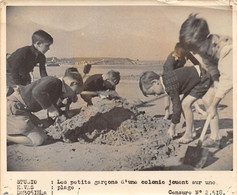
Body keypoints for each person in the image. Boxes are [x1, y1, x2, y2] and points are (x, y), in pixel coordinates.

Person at [179, 14, 232, 147]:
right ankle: (215, 137)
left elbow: (227, 81)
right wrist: (215, 80)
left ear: (206, 39)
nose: (195, 53)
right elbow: (211, 66)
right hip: (226, 73)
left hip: (232, 72)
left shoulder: (227, 49)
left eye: (195, 49)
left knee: (212, 103)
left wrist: (215, 104)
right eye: (192, 50)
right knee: (208, 99)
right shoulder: (204, 48)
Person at [7, 68, 83, 146]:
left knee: (43, 133)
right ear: (73, 83)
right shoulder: (54, 81)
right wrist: (51, 109)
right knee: (38, 140)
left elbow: (52, 103)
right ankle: (6, 137)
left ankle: (14, 130)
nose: (74, 96)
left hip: (24, 110)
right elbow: (37, 92)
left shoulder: (58, 88)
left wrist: (57, 113)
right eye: (75, 92)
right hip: (14, 107)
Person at [139, 65, 212, 143]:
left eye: (153, 92)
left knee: (185, 104)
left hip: (202, 79)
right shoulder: (166, 80)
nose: (156, 95)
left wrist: (172, 127)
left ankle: (189, 134)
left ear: (155, 82)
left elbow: (176, 108)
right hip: (196, 79)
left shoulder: (169, 85)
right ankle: (192, 131)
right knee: (184, 104)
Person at [163, 42, 206, 119]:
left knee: (190, 88)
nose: (177, 57)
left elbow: (197, 64)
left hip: (180, 73)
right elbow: (169, 82)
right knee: (168, 92)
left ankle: (197, 108)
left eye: (179, 57)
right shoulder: (170, 61)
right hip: (169, 75)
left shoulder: (186, 53)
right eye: (177, 56)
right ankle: (167, 112)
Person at [7, 30, 53, 96]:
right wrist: (18, 85)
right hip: (9, 73)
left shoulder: (42, 57)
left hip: (23, 73)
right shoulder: (24, 52)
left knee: (27, 90)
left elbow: (43, 72)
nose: (49, 48)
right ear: (38, 44)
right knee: (15, 92)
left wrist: (47, 83)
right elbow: (14, 68)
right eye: (47, 45)